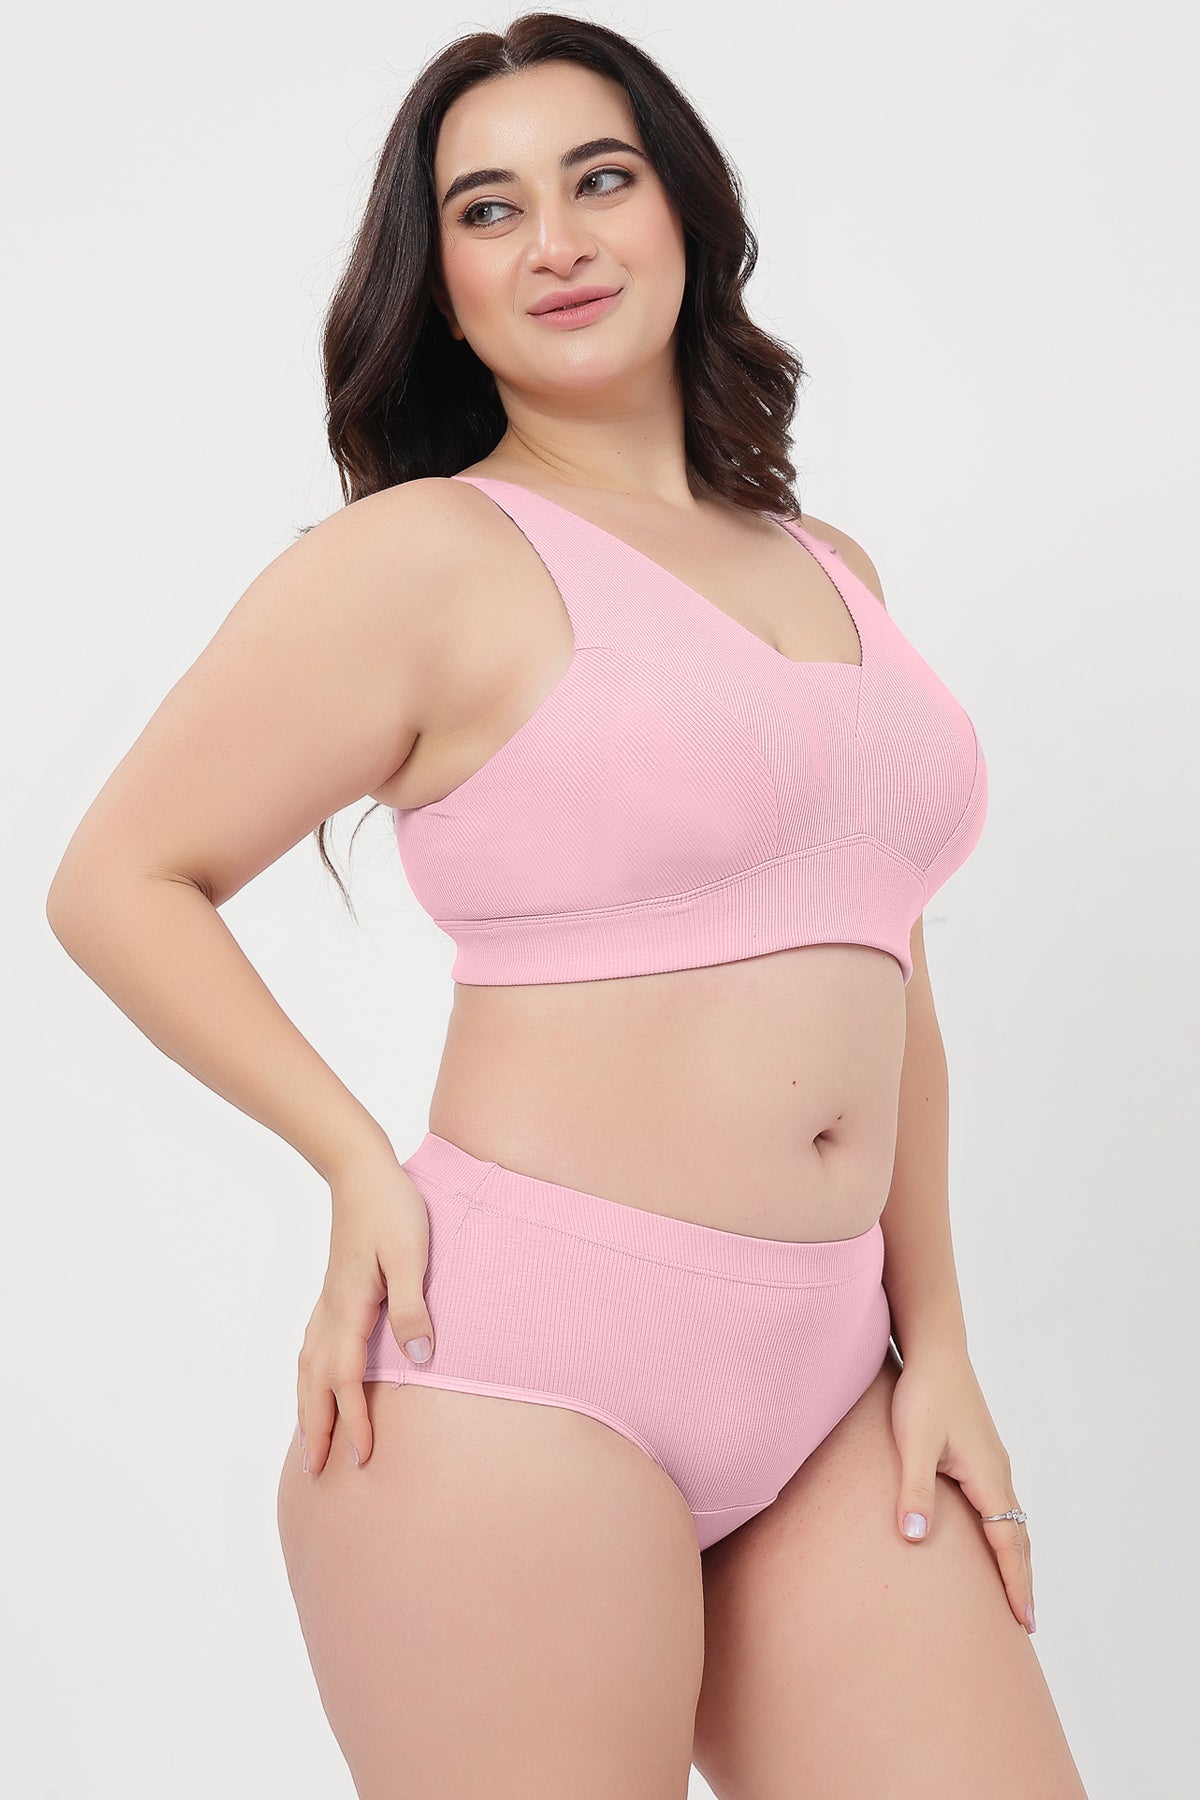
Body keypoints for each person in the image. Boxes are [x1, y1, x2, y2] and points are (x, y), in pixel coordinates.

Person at [45, 13, 1090, 1798]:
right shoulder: (425, 556)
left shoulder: (832, 567)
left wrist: (945, 1343)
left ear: (685, 211)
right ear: (443, 287)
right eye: (488, 209)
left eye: (600, 180)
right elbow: (119, 882)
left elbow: (889, 961)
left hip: (838, 1386)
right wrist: (355, 1161)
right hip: (512, 1372)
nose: (557, 241)